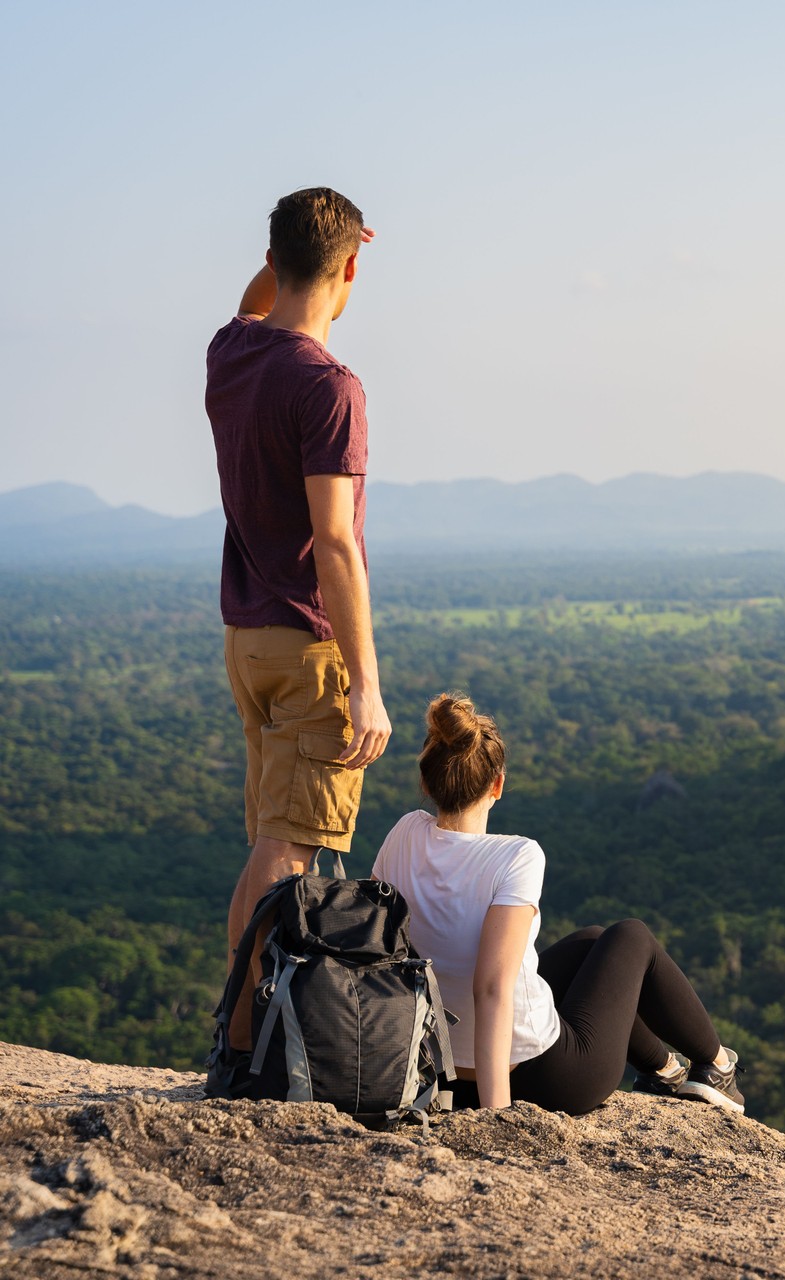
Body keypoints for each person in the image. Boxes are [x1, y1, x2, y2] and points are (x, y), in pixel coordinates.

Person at [207, 187, 391, 1047]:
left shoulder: (232, 352)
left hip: (248, 641)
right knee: (285, 852)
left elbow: (258, 300)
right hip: (308, 643)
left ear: (274, 258)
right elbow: (335, 543)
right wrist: (367, 685)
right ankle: (240, 1048)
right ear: (352, 267)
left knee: (272, 843)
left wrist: (305, 251)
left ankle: (245, 1036)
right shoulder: (330, 387)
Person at [372, 693, 745, 1116]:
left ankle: (663, 1071)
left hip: (437, 1066)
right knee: (630, 936)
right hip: (545, 1078)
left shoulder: (402, 834)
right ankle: (717, 1065)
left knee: (592, 943)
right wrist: (498, 1115)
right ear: (497, 784)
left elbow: (380, 948)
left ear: (427, 782)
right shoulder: (515, 857)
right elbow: (491, 988)